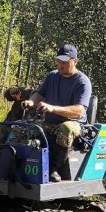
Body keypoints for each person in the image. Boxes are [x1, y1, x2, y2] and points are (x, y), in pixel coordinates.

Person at [22, 44, 92, 181]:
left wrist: (53, 108)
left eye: (64, 62)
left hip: (75, 125)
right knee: (20, 128)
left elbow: (79, 111)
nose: (60, 65)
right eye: (59, 62)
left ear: (75, 61)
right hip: (49, 122)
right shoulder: (52, 76)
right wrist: (31, 102)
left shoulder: (83, 82)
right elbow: (39, 95)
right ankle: (20, 166)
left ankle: (53, 169)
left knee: (66, 128)